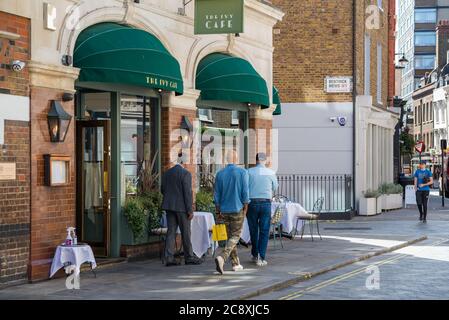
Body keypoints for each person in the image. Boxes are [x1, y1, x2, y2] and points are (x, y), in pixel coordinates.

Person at [161, 153, 202, 266]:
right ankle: (189, 257)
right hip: (182, 208)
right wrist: (190, 210)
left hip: (169, 207)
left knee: (171, 232)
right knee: (186, 233)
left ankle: (168, 257)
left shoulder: (167, 173)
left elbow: (163, 189)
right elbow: (187, 194)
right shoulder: (185, 174)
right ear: (184, 161)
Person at [214, 150, 249, 274]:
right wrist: (246, 207)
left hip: (223, 210)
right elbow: (245, 193)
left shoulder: (219, 174)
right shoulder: (242, 172)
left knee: (229, 237)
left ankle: (235, 263)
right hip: (237, 209)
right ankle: (222, 257)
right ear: (236, 159)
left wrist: (218, 210)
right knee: (235, 236)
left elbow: (216, 195)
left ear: (226, 159)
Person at [247, 153, 278, 267]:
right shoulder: (271, 172)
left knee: (253, 230)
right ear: (265, 161)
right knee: (264, 231)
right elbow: (275, 187)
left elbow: (245, 187)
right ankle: (261, 257)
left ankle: (255, 254)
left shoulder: (249, 172)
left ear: (256, 160)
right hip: (265, 203)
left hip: (252, 203)